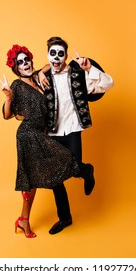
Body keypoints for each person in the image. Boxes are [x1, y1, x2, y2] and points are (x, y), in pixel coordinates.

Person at [0, 44, 79, 238]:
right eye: (20, 63)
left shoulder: (36, 77)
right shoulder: (17, 85)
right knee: (40, 173)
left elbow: (53, 63)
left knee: (31, 180)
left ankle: (23, 219)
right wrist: (8, 97)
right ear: (15, 68)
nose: (25, 64)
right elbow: (6, 115)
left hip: (40, 133)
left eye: (27, 60)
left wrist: (43, 72)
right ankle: (84, 171)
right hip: (27, 134)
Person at [38, 37, 114, 234]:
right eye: (52, 53)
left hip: (72, 128)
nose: (56, 58)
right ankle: (65, 218)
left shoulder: (77, 75)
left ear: (65, 55)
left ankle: (86, 171)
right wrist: (40, 74)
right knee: (55, 178)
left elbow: (108, 84)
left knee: (72, 168)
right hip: (52, 132)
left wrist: (89, 69)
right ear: (47, 54)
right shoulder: (42, 78)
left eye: (60, 53)